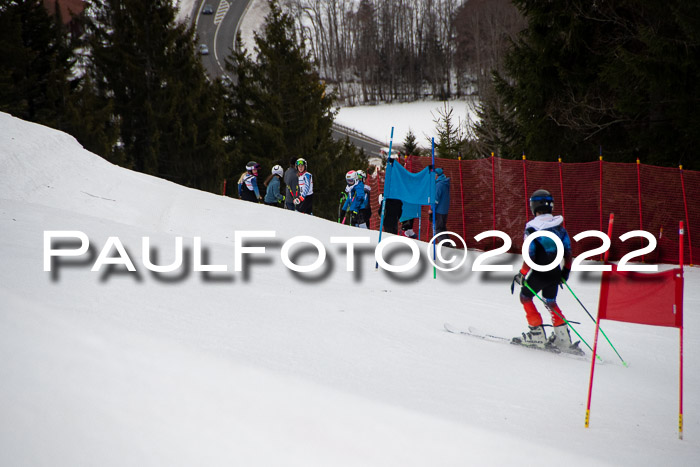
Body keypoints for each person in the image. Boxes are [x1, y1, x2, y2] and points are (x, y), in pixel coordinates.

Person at [511, 189, 583, 355]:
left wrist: (522, 273)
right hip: (555, 272)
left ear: (533, 206)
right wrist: (565, 272)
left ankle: (537, 334)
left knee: (525, 297)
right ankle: (563, 337)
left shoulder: (532, 228)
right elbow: (568, 252)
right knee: (550, 301)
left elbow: (530, 254)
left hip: (540, 272)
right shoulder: (559, 227)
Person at [381, 154, 402, 234]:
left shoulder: (388, 194)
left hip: (389, 218)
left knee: (389, 232)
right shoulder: (397, 197)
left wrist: (381, 213)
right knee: (392, 232)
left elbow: (384, 204)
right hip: (393, 219)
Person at [434, 167, 450, 242]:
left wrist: (431, 209)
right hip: (444, 210)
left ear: (437, 175)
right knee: (442, 227)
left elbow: (436, 199)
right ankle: (448, 242)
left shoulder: (439, 185)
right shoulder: (445, 183)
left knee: (438, 229)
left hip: (439, 210)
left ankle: (444, 244)